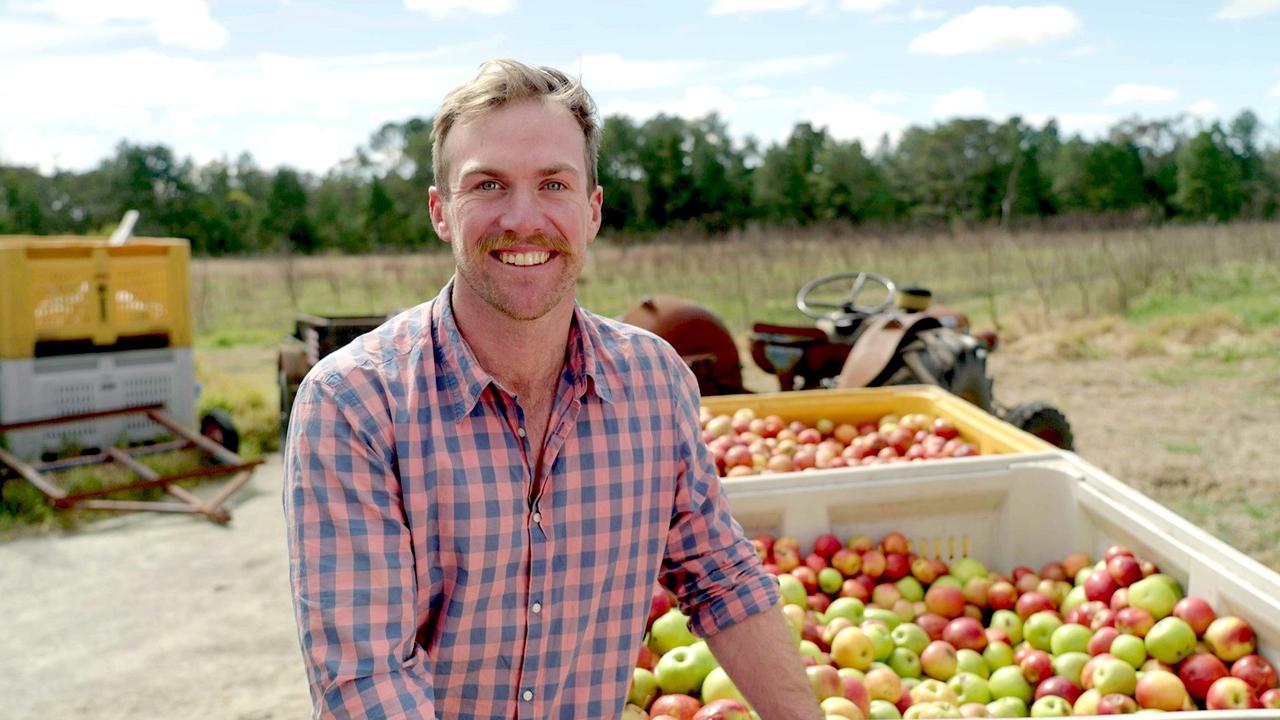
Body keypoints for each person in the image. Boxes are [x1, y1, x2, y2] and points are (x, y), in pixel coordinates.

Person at [283, 58, 822, 719]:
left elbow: (723, 582)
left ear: (591, 211)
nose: (522, 218)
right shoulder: (355, 405)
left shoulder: (654, 385)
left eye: (553, 185)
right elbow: (366, 679)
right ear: (440, 212)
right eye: (487, 185)